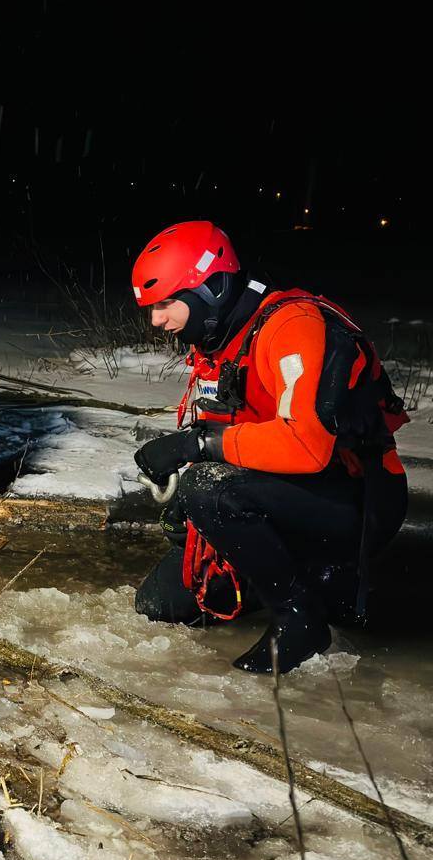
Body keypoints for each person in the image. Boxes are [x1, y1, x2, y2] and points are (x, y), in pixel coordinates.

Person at [128, 221, 408, 673]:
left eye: (165, 303)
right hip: (289, 491)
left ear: (211, 290)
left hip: (357, 497)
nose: (156, 320)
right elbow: (242, 429)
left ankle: (300, 616)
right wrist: (191, 511)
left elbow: (306, 446)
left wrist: (198, 445)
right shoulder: (222, 337)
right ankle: (294, 577)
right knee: (159, 603)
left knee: (209, 488)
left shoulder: (292, 326)